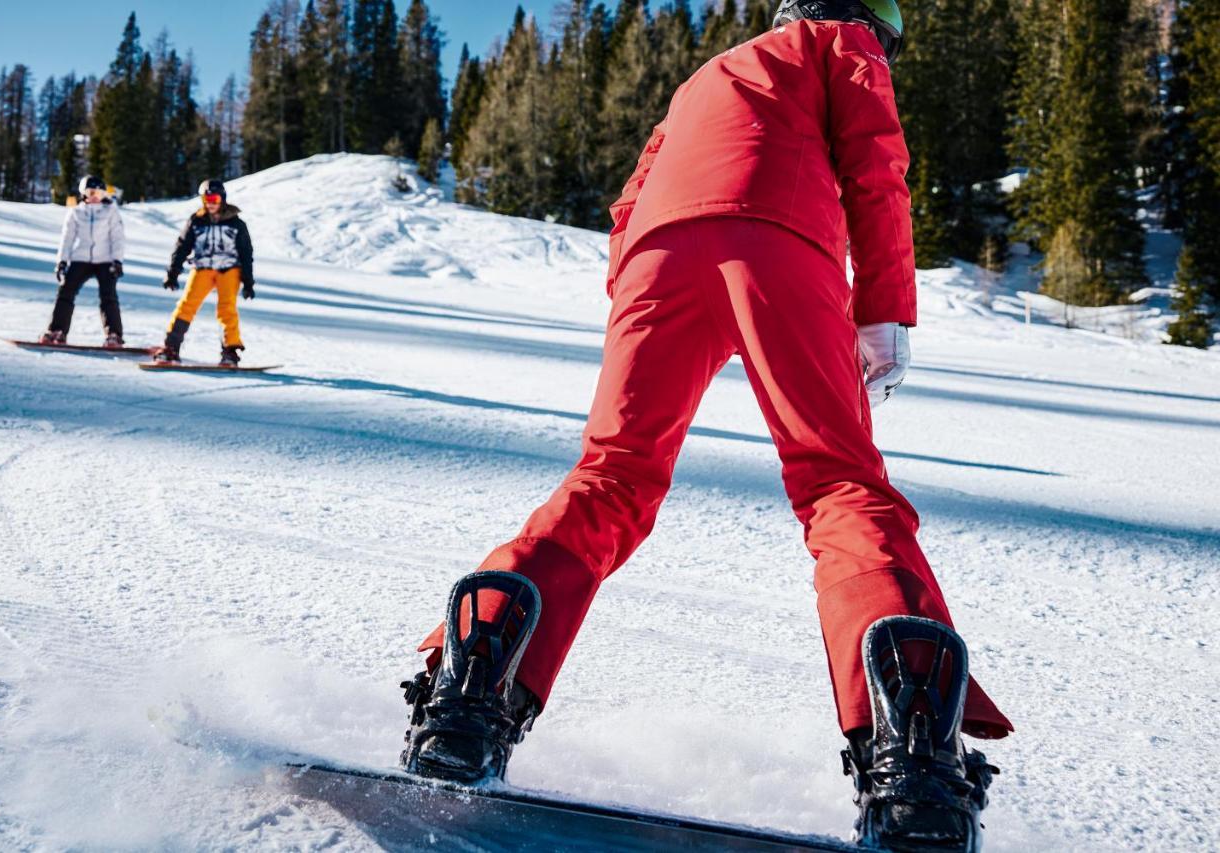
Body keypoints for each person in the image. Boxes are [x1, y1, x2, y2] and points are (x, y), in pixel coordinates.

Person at [401, 1, 1012, 849]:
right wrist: (883, 307)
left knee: (611, 476)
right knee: (839, 484)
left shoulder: (705, 74)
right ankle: (912, 768)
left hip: (657, 256)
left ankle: (469, 704)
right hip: (781, 243)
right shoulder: (847, 44)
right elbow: (877, 166)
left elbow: (630, 202)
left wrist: (644, 296)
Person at [154, 179, 256, 366]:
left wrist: (248, 282)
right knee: (187, 305)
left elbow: (246, 252)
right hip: (202, 269)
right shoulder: (196, 221)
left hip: (229, 270)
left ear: (222, 199)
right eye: (207, 199)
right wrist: (172, 273)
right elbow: (182, 246)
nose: (211, 203)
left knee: (227, 308)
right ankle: (171, 347)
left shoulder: (236, 223)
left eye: (215, 199)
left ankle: (230, 351)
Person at [40, 175, 125, 347]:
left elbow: (117, 237)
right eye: (90, 192)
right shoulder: (76, 213)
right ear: (83, 193)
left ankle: (114, 335)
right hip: (81, 258)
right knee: (65, 292)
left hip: (105, 260)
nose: (95, 196)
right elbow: (67, 238)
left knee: (108, 297)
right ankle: (57, 331)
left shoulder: (111, 212)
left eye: (99, 193)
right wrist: (62, 262)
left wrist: (117, 261)